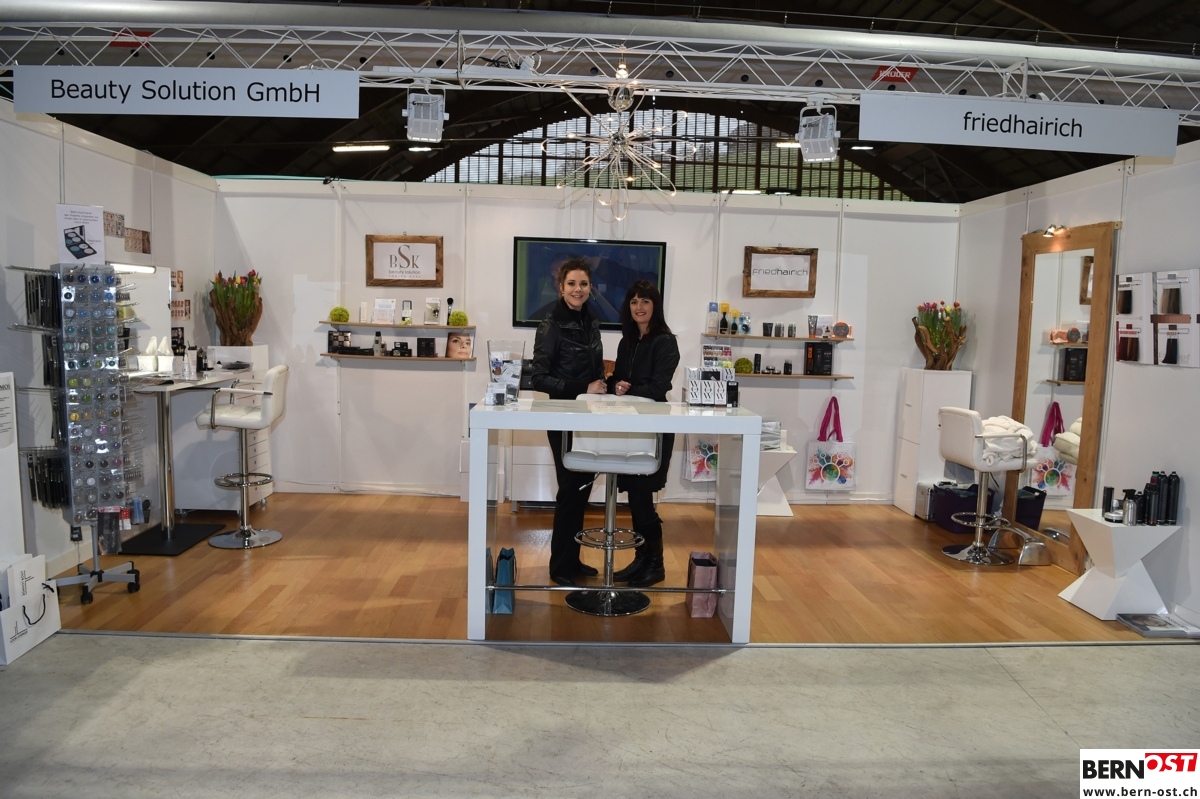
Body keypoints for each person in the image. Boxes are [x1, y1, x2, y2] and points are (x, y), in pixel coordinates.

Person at [529, 258, 608, 586]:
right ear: (561, 287)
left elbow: (594, 367)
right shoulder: (550, 325)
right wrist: (583, 387)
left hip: (589, 417)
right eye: (572, 283)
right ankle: (560, 567)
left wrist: (605, 383)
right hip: (562, 417)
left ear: (591, 289)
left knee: (581, 490)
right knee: (570, 492)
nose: (578, 289)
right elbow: (538, 377)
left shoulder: (591, 321)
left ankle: (572, 561)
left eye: (584, 284)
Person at [608, 280, 680, 587]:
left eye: (645, 301)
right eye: (634, 301)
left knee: (642, 496)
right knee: (636, 498)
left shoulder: (666, 342)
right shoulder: (626, 342)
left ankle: (656, 564)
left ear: (655, 306)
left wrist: (629, 389)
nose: (639, 307)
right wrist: (615, 385)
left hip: (654, 429)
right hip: (629, 427)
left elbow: (659, 387)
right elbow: (617, 379)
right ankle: (641, 560)